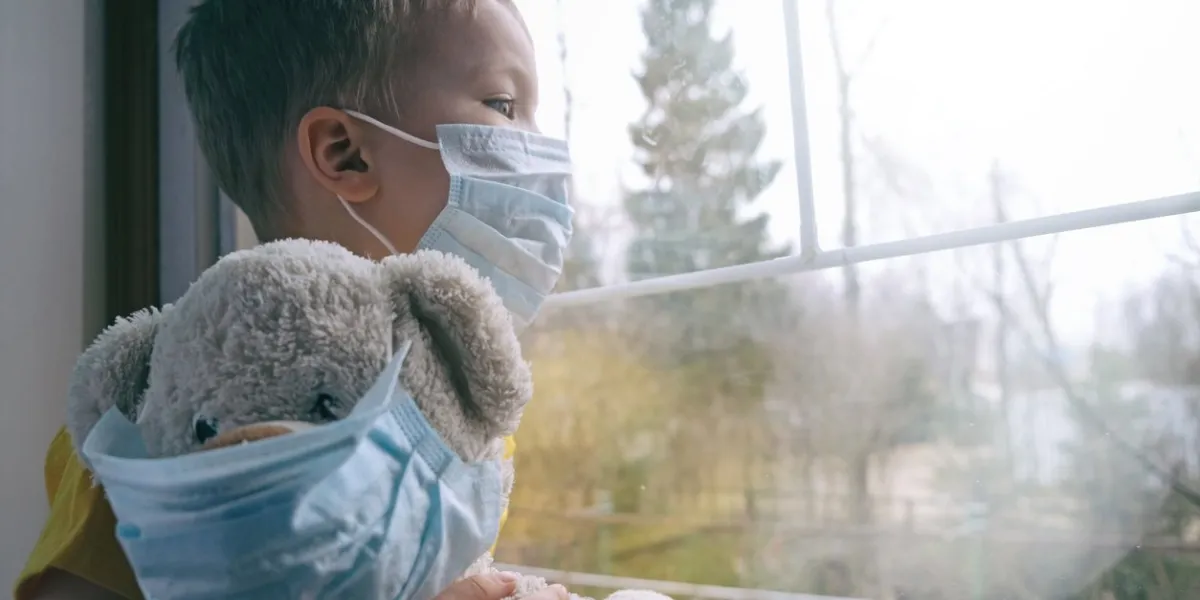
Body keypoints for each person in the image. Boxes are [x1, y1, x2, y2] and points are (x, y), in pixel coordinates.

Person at [15, 1, 572, 598]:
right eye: (503, 105)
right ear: (344, 152)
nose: (539, 147)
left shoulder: (452, 414)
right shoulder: (150, 421)